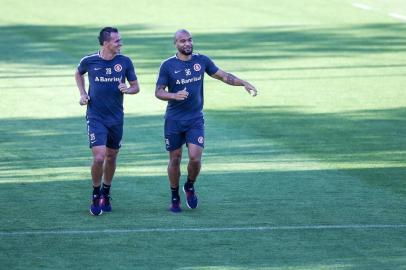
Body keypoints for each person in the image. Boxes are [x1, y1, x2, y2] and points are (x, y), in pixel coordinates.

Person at [155, 29, 257, 213]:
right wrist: (174, 95)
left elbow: (223, 76)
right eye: (182, 41)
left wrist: (244, 82)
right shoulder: (167, 65)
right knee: (175, 159)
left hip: (195, 119)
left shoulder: (202, 61)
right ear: (175, 44)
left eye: (189, 40)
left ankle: (190, 186)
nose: (187, 44)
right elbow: (159, 91)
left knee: (195, 158)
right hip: (174, 120)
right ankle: (174, 195)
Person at [75, 27, 140, 216]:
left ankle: (106, 191)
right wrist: (83, 94)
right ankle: (95, 194)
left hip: (116, 118)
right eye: (117, 41)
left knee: (112, 156)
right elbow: (78, 73)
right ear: (106, 43)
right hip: (96, 117)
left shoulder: (125, 62)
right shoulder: (89, 61)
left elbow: (136, 87)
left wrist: (127, 89)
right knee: (99, 157)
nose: (121, 43)